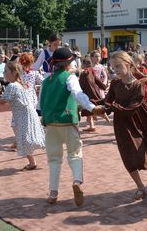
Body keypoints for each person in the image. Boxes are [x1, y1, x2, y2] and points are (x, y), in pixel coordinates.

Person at [39, 47, 105, 206]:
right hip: (68, 121)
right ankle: (76, 181)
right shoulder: (70, 77)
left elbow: (40, 103)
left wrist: (45, 118)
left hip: (50, 124)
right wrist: (92, 107)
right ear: (68, 63)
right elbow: (78, 94)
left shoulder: (46, 80)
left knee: (54, 159)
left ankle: (53, 193)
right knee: (75, 154)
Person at [100, 51, 147, 200]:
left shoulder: (138, 85)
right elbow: (107, 100)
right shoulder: (116, 83)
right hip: (121, 124)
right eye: (113, 67)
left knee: (140, 152)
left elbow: (133, 107)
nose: (115, 70)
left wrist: (113, 106)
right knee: (127, 155)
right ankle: (140, 187)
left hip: (137, 123)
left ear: (128, 65)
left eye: (118, 66)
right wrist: (92, 104)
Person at [0, 61, 45, 171]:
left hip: (24, 116)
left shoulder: (13, 85)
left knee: (30, 138)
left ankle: (54, 153)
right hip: (25, 115)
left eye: (6, 71)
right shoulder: (20, 84)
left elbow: (2, 101)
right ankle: (32, 162)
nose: (4, 73)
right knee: (25, 139)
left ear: (14, 73)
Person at [78, 58, 108, 132]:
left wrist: (78, 93)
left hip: (87, 95)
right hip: (94, 92)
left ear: (84, 65)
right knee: (90, 110)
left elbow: (81, 85)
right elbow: (98, 81)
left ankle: (100, 117)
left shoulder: (83, 74)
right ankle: (92, 125)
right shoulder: (92, 71)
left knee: (87, 110)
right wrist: (104, 87)